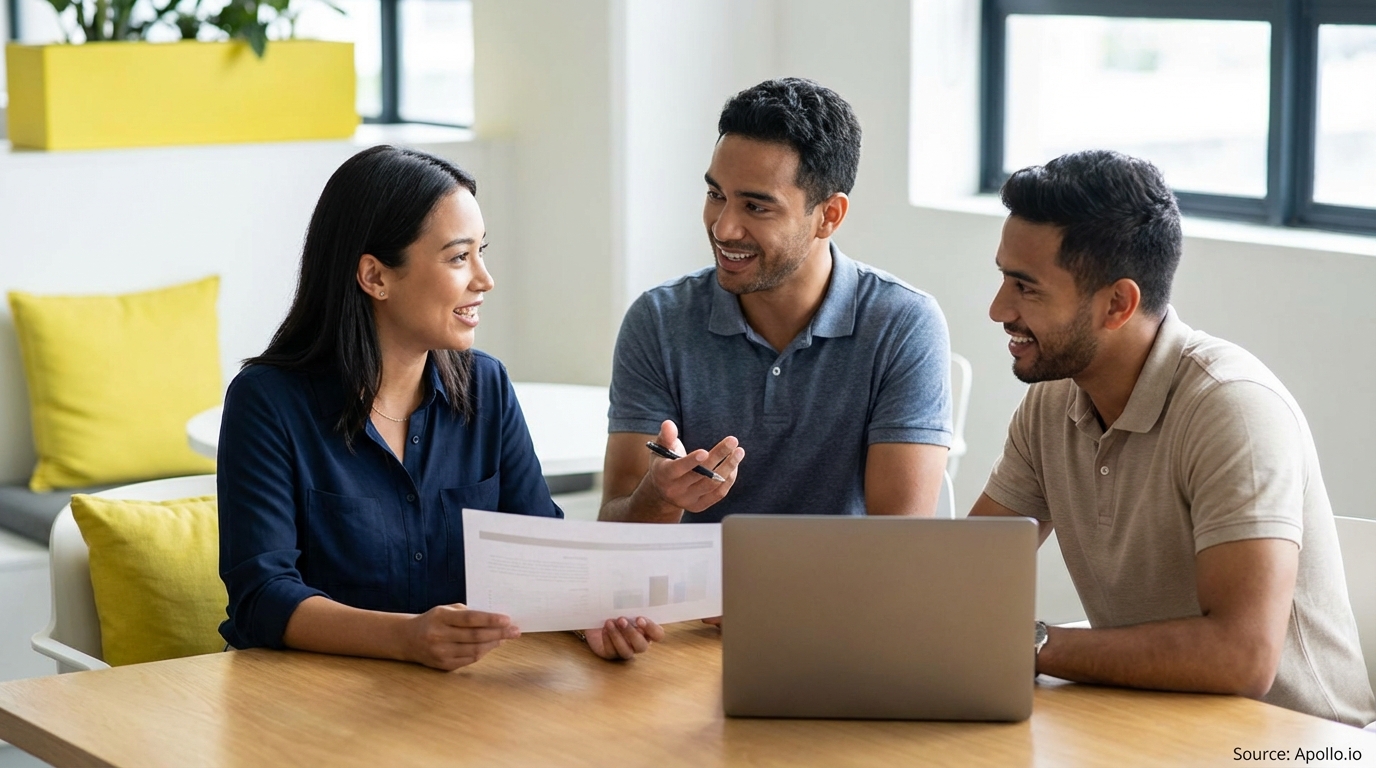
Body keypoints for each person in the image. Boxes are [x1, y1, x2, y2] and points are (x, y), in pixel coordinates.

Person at [971, 149, 1376, 726]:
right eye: (1003, 278)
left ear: (1117, 304)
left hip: (1300, 743)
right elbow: (966, 577)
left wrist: (1036, 644)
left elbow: (1241, 658)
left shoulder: (1233, 409)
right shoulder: (1052, 402)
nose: (997, 309)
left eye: (1026, 288)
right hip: (1153, 727)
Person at [218, 145, 662, 669]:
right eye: (458, 257)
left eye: (482, 251)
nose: (484, 279)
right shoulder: (267, 401)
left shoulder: (487, 387)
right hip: (301, 703)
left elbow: (541, 555)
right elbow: (263, 596)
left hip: (454, 700)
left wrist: (591, 617)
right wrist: (406, 638)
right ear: (375, 276)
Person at [600, 78, 952, 527]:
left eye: (756, 207)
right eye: (716, 195)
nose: (723, 228)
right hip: (694, 594)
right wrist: (659, 496)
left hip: (844, 594)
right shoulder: (658, 320)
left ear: (829, 216)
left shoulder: (902, 323)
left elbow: (899, 540)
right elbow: (616, 528)